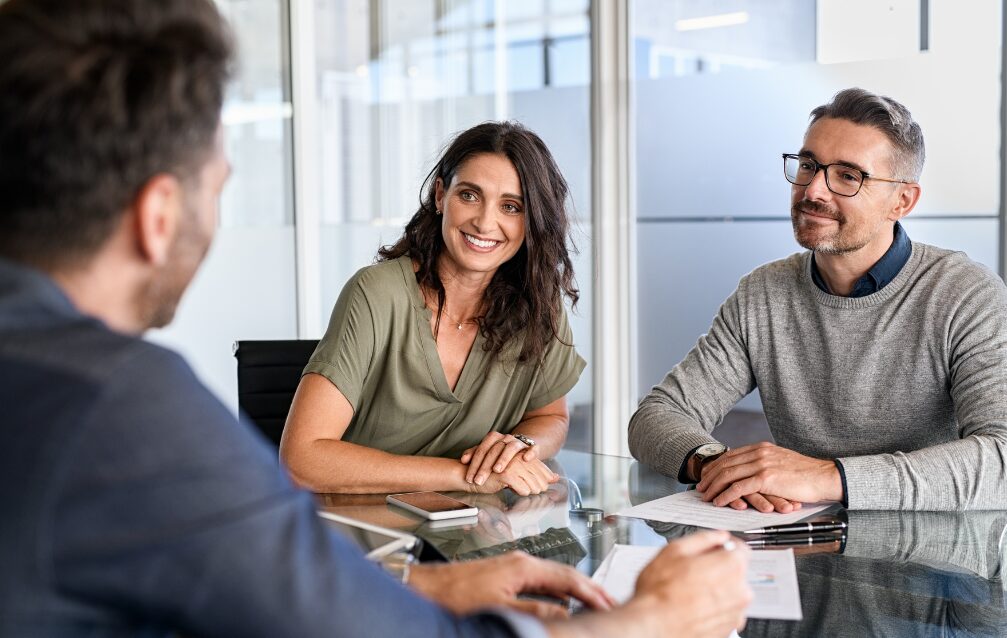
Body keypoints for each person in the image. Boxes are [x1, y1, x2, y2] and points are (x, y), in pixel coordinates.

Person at [0, 1, 753, 636]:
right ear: (159, 214)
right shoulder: (123, 409)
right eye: (220, 182)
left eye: (512, 206)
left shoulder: (47, 377)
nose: (485, 219)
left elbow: (282, 603)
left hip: (420, 560)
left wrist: (434, 585)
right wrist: (645, 619)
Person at [628, 88, 1007, 512]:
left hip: (933, 561)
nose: (813, 191)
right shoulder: (762, 294)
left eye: (848, 176)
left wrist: (827, 476)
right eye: (809, 165)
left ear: (901, 201)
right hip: (801, 549)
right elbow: (656, 416)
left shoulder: (963, 294)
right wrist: (716, 465)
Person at [281, 122, 584, 496]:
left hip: (471, 536)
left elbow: (550, 416)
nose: (485, 222)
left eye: (511, 206)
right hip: (360, 534)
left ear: (532, 220)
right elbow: (301, 460)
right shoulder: (376, 293)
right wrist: (465, 477)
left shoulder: (539, 304)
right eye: (470, 195)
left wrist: (520, 446)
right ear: (441, 195)